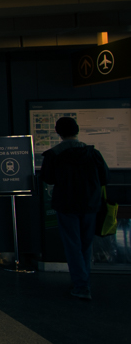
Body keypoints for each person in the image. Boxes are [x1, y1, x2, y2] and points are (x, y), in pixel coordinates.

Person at [40, 116, 109, 300]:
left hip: (66, 205)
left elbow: (48, 178)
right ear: (77, 130)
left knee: (72, 245)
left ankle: (81, 285)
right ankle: (82, 281)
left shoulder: (53, 154)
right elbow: (105, 178)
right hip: (91, 205)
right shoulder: (92, 153)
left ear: (58, 132)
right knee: (86, 245)